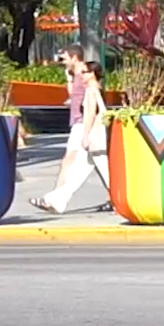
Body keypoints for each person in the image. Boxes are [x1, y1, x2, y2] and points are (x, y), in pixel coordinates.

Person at [40, 60, 110, 213]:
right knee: (77, 173)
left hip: (93, 138)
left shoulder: (91, 90)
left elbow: (90, 114)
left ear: (93, 74)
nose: (82, 75)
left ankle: (121, 199)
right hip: (97, 139)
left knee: (107, 174)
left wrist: (85, 136)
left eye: (85, 72)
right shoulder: (98, 89)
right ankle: (55, 201)